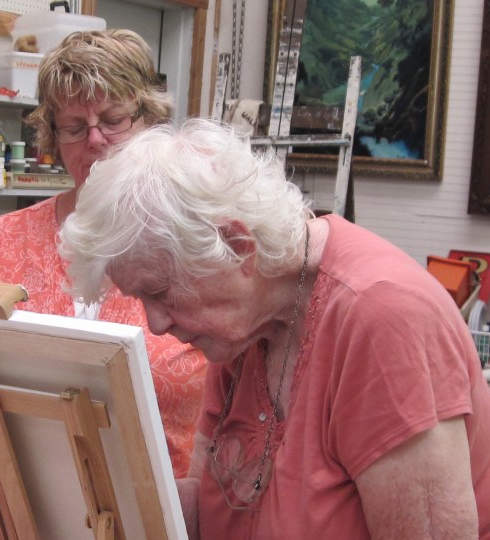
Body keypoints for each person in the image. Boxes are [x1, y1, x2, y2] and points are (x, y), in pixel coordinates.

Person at [58, 118, 490, 539]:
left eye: (161, 292)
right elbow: (211, 507)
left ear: (237, 247)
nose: (155, 324)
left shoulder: (382, 318)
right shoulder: (246, 325)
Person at [0, 29, 207, 479]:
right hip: (25, 498)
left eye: (113, 120)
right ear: (53, 138)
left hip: (167, 507)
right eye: (74, 127)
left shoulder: (198, 243)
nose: (95, 140)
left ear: (148, 119)